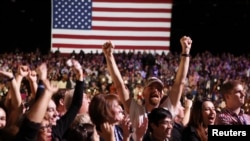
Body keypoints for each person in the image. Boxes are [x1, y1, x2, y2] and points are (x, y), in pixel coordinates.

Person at [102, 36, 192, 140]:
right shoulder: (137, 111)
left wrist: (185, 52)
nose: (155, 90)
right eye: (151, 87)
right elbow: (119, 85)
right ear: (143, 93)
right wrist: (109, 57)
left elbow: (179, 83)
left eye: (159, 89)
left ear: (162, 94)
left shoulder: (167, 110)